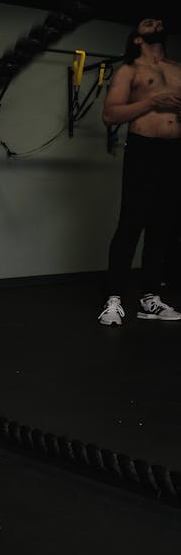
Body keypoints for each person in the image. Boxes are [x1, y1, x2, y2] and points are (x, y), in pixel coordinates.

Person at [98, 16, 181, 326]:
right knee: (131, 224)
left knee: (163, 226)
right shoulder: (129, 70)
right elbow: (110, 115)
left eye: (158, 20)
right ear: (136, 38)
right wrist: (151, 101)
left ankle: (150, 299)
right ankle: (114, 299)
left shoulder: (178, 69)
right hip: (144, 150)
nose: (155, 21)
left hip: (175, 153)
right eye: (147, 22)